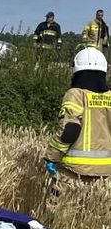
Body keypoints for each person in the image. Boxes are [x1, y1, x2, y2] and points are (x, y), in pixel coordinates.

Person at [45, 48, 111, 178]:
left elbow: (70, 129)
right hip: (108, 172)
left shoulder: (75, 94)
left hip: (76, 171)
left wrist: (51, 157)